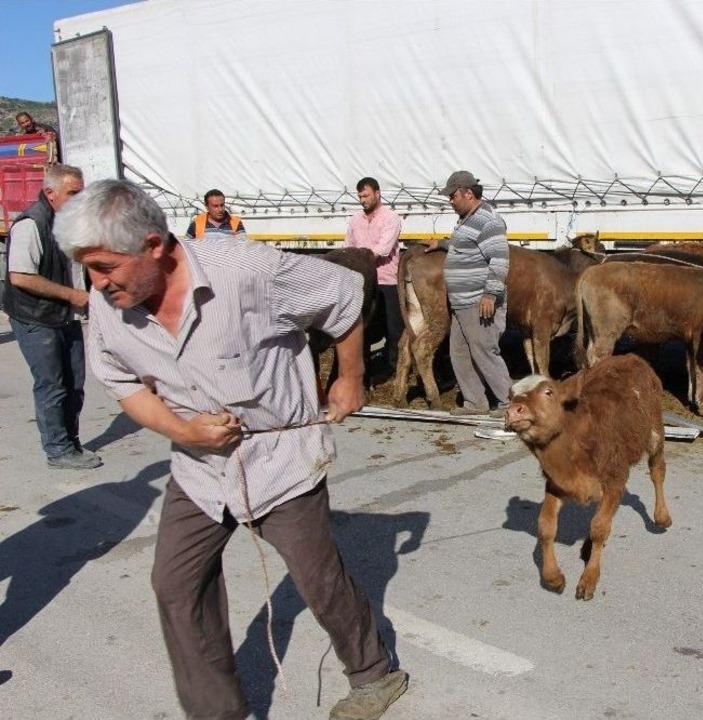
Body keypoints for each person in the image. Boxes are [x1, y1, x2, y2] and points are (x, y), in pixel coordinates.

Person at [54, 179, 407, 720]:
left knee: (318, 579)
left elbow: (343, 294)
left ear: (154, 246)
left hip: (279, 463)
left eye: (105, 268)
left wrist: (351, 375)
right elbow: (124, 385)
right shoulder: (108, 306)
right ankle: (217, 713)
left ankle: (374, 674)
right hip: (198, 470)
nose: (96, 285)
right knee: (176, 583)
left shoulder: (246, 271)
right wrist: (184, 432)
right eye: (87, 270)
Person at [3, 164, 100, 469]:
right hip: (36, 317)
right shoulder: (31, 224)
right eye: (73, 192)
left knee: (75, 383)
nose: (79, 198)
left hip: (66, 315)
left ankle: (70, 442)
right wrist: (73, 296)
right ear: (50, 193)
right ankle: (58, 450)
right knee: (52, 384)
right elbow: (20, 277)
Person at [426, 170, 511, 416]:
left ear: (468, 193)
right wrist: (442, 244)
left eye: (453, 196)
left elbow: (499, 259)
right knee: (459, 353)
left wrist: (490, 294)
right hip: (463, 303)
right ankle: (475, 402)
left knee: (485, 351)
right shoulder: (467, 220)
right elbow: (466, 245)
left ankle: (509, 403)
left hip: (478, 301)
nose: (450, 201)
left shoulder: (489, 220)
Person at [345, 176, 404, 375]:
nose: (363, 200)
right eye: (360, 196)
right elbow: (348, 247)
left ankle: (395, 369)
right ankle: (367, 370)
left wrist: (358, 260)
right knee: (366, 327)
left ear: (377, 194)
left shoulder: (391, 218)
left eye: (366, 195)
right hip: (363, 283)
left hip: (386, 280)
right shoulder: (354, 220)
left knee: (393, 328)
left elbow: (384, 248)